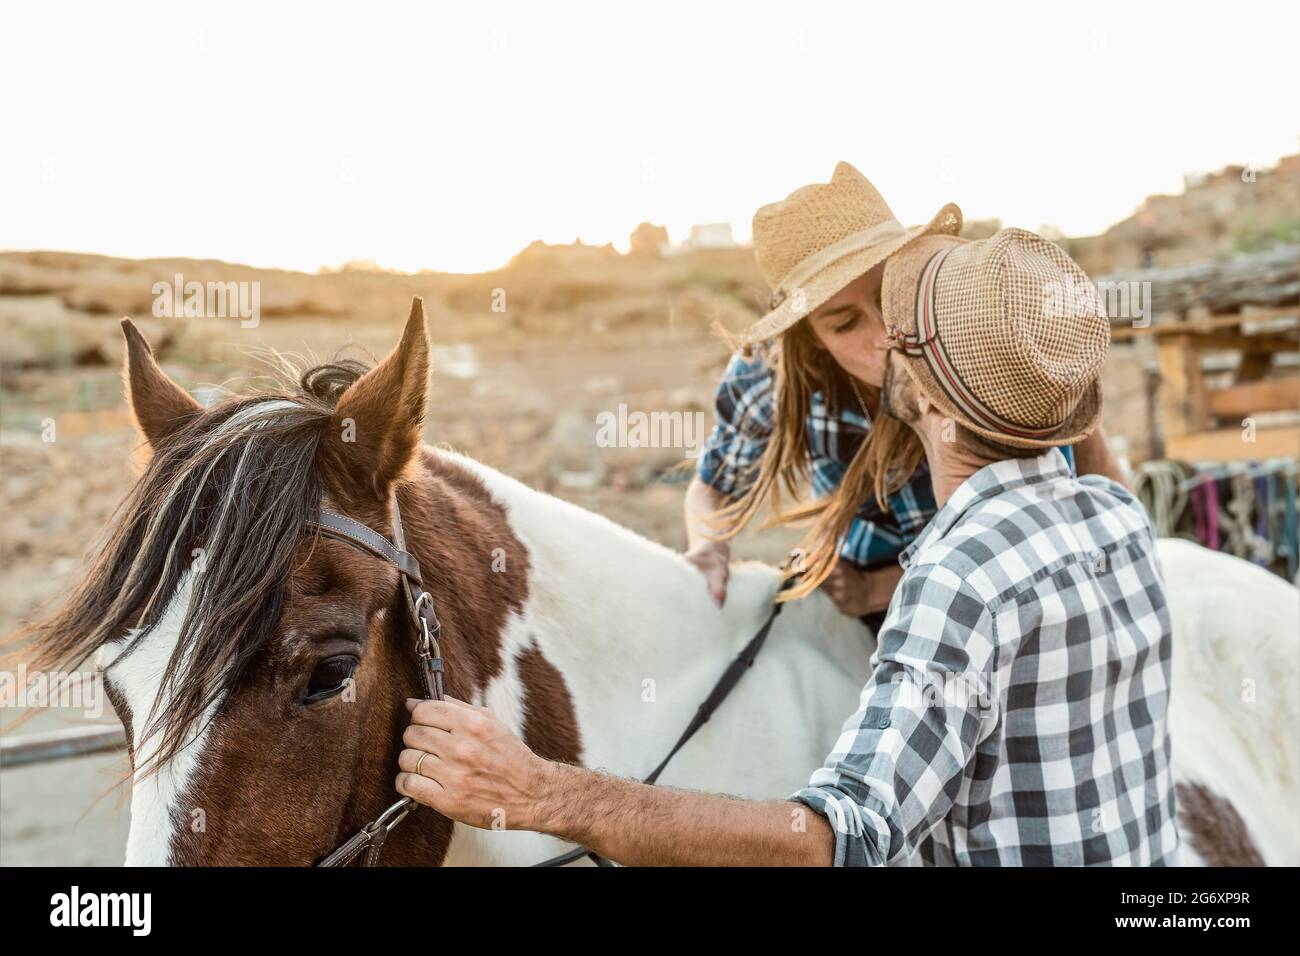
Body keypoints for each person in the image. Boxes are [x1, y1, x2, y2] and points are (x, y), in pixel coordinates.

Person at [394, 224, 1179, 866]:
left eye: (898, 326)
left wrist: (540, 793)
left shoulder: (957, 574)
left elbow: (835, 841)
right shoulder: (1114, 513)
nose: (880, 343)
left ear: (928, 388)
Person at [681, 163, 1125, 632]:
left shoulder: (976, 329)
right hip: (885, 614)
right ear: (811, 340)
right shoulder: (768, 379)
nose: (886, 334)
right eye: (845, 323)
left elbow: (1092, 509)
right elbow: (713, 485)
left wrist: (877, 588)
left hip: (1032, 592)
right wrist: (709, 547)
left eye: (890, 292)